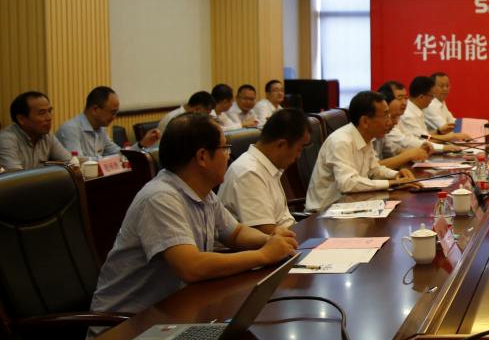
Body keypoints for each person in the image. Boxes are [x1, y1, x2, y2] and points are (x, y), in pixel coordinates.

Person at [90, 113, 298, 315]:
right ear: (202, 157)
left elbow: (235, 233)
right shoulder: (161, 198)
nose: (229, 155)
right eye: (225, 148)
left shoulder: (203, 192)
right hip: (128, 325)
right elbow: (191, 267)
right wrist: (263, 255)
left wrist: (270, 239)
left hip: (174, 311)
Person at [305, 91, 418, 211]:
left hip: (350, 205)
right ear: (365, 121)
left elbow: (374, 170)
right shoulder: (341, 141)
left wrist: (396, 175)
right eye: (385, 115)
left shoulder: (366, 137)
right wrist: (392, 183)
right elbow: (348, 184)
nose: (390, 122)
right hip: (325, 213)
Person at [219, 108, 310, 234]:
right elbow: (266, 232)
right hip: (274, 242)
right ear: (281, 145)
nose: (298, 157)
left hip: (289, 236)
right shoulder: (249, 173)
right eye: (299, 149)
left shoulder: (267, 166)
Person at [57, 86, 160, 159]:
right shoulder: (70, 129)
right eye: (112, 113)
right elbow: (77, 164)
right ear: (95, 109)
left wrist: (142, 144)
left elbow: (120, 154)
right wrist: (108, 161)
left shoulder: (101, 129)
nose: (114, 117)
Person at [0, 91, 71, 170]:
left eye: (49, 111)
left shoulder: (47, 136)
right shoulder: (7, 139)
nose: (49, 118)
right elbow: (15, 175)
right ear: (21, 119)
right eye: (42, 113)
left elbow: (70, 163)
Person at [377, 81, 433, 168]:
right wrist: (442, 145)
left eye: (406, 98)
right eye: (400, 98)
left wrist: (437, 134)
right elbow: (407, 141)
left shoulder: (404, 115)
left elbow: (396, 149)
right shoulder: (407, 115)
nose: (404, 102)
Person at [402, 76, 469, 145]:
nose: (432, 99)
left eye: (447, 85)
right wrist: (452, 137)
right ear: (421, 97)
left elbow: (424, 135)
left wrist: (438, 131)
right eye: (431, 96)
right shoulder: (408, 115)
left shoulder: (417, 110)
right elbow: (425, 139)